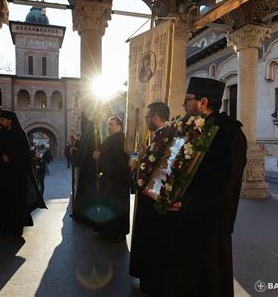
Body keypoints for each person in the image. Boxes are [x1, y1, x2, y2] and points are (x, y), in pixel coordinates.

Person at [177, 77, 247, 296]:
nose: (184, 105)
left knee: (212, 274)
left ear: (203, 102)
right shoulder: (198, 127)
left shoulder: (228, 131)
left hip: (213, 218)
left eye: (188, 100)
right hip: (193, 215)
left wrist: (187, 203)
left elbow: (224, 179)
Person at [129, 102, 179, 295]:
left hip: (153, 199)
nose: (146, 120)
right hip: (147, 196)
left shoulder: (165, 138)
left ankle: (153, 282)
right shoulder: (157, 137)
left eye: (147, 116)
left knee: (151, 241)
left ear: (156, 118)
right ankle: (147, 279)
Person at [0, 110, 46, 237]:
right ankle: (2, 225)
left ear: (10, 120)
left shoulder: (20, 134)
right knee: (2, 201)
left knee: (15, 202)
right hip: (1, 175)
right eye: (0, 120)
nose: (0, 122)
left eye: (2, 120)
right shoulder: (0, 134)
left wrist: (11, 158)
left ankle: (16, 227)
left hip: (16, 176)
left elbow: (25, 155)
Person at [92, 116, 130, 243]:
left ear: (119, 126)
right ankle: (105, 230)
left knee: (116, 206)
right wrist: (98, 156)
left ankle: (116, 232)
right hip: (108, 180)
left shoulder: (122, 140)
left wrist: (100, 157)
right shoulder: (109, 139)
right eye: (108, 124)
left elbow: (118, 161)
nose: (109, 127)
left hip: (117, 180)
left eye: (112, 124)